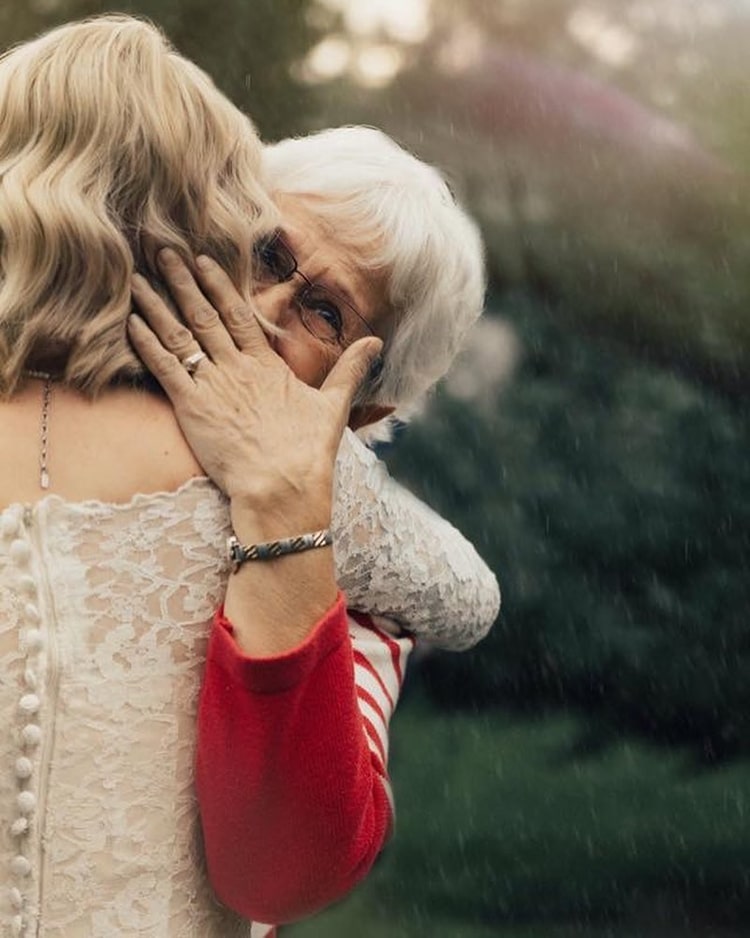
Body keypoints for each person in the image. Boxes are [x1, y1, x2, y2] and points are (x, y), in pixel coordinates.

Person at [0, 15, 497, 938]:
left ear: (366, 412)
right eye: (264, 252)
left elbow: (280, 872)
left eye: (321, 311)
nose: (264, 312)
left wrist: (287, 504)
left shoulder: (368, 600)